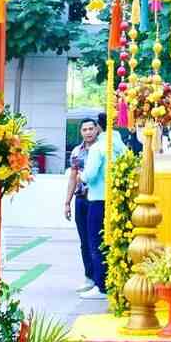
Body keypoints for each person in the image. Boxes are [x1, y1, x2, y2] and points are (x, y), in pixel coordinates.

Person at [78, 113, 128, 298]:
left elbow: (90, 174)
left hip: (98, 199)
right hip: (117, 199)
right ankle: (114, 282)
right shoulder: (120, 146)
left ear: (98, 127)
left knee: (96, 242)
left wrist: (80, 177)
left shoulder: (99, 147)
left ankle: (101, 286)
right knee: (113, 242)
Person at [65, 117, 101, 296]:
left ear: (96, 130)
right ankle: (89, 276)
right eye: (84, 129)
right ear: (81, 132)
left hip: (97, 200)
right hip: (81, 199)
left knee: (96, 240)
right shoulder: (76, 151)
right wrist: (67, 202)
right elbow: (73, 177)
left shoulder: (102, 149)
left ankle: (99, 279)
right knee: (84, 241)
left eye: (90, 129)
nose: (88, 132)